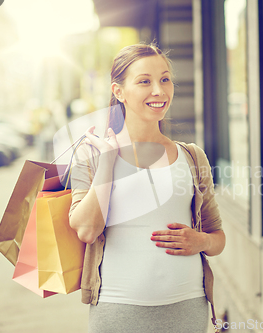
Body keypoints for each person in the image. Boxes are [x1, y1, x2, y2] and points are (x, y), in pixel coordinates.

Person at [68, 43, 226, 333]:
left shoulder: (192, 156)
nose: (159, 90)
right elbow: (87, 230)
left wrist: (201, 242)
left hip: (188, 306)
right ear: (118, 92)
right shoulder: (90, 156)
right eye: (144, 81)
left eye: (165, 79)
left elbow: (218, 237)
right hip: (117, 309)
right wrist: (107, 163)